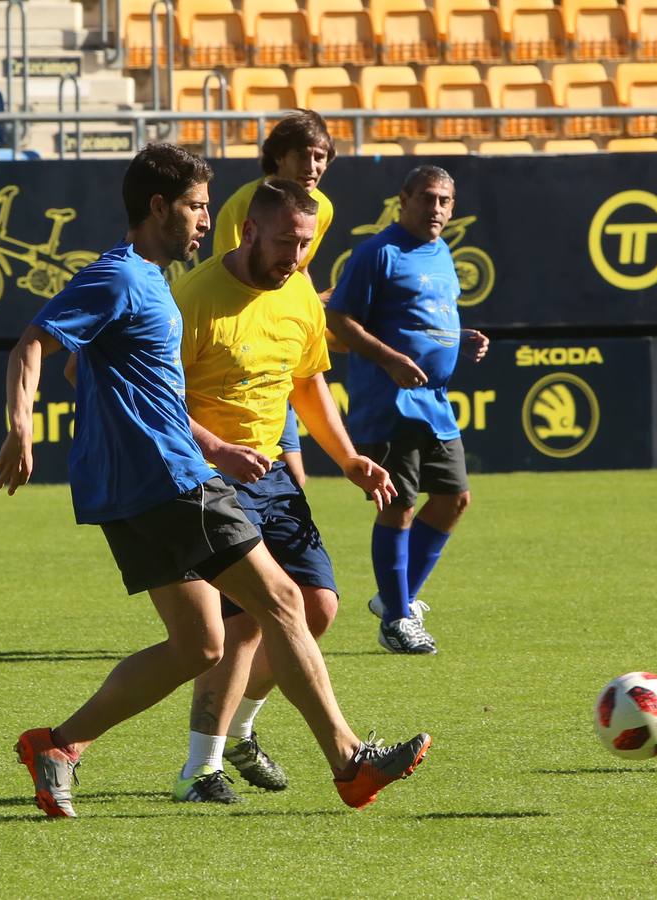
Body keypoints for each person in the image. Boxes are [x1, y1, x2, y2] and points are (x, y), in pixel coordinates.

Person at [0, 143, 431, 817]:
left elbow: (145, 392)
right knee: (285, 601)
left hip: (129, 493)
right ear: (159, 207)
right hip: (169, 482)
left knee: (200, 644)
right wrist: (21, 428)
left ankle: (58, 744)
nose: (206, 218)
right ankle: (348, 762)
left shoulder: (152, 284)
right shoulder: (121, 278)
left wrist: (218, 443)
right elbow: (34, 343)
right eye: (197, 206)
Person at [171, 178, 389, 802]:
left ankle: (237, 732)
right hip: (208, 479)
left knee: (318, 607)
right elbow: (159, 402)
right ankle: (203, 768)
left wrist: (348, 459)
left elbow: (308, 384)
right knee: (251, 620)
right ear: (248, 232)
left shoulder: (298, 294)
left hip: (270, 475)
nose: (295, 257)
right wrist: (216, 449)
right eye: (286, 242)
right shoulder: (193, 299)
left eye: (306, 244)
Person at [325, 165, 490, 656]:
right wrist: (389, 359)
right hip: (390, 401)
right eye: (427, 198)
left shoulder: (440, 253)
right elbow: (340, 317)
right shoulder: (379, 252)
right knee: (399, 504)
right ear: (404, 199)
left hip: (434, 402)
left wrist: (460, 340)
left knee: (454, 498)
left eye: (444, 200)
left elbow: (423, 321)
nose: (435, 207)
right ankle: (397, 618)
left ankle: (396, 598)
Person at [213, 109, 338, 489]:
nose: (313, 165)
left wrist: (314, 308)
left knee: (292, 483)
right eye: (304, 155)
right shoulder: (245, 204)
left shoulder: (322, 207)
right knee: (255, 482)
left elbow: (296, 273)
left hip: (280, 349)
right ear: (279, 156)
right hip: (238, 355)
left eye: (321, 156)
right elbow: (234, 280)